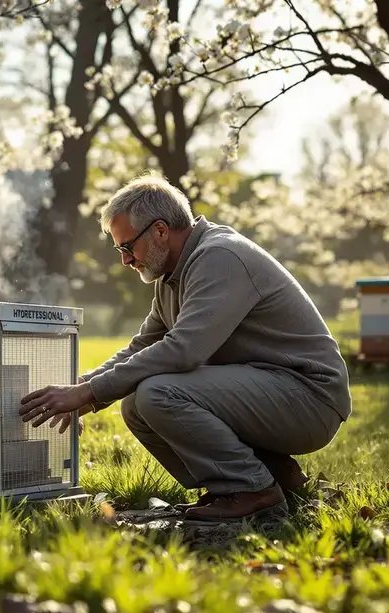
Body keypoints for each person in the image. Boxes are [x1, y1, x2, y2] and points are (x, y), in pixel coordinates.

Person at [19, 172, 352, 523]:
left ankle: (252, 491)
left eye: (127, 247)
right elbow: (142, 346)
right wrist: (84, 389)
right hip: (275, 391)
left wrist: (88, 392)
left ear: (160, 230)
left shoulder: (220, 258)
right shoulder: (173, 276)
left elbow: (183, 351)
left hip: (310, 399)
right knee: (135, 403)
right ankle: (269, 475)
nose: (125, 260)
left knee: (157, 394)